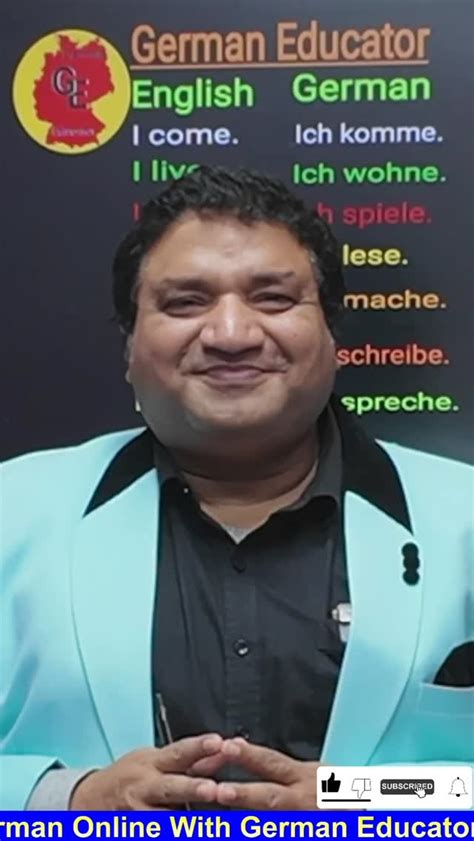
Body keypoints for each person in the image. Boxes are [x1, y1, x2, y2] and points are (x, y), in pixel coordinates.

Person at [1, 166, 472, 812]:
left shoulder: (462, 517)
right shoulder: (13, 510)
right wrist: (65, 796)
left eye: (273, 299)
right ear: (129, 345)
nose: (231, 335)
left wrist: (360, 796)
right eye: (185, 302)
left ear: (333, 336)